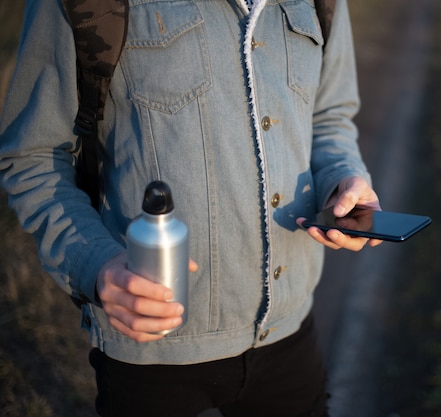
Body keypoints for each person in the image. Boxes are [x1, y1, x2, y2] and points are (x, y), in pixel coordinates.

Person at [0, 0, 381, 415]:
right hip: (151, 355)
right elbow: (34, 158)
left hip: (289, 332)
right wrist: (96, 265)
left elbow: (327, 117)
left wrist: (342, 175)